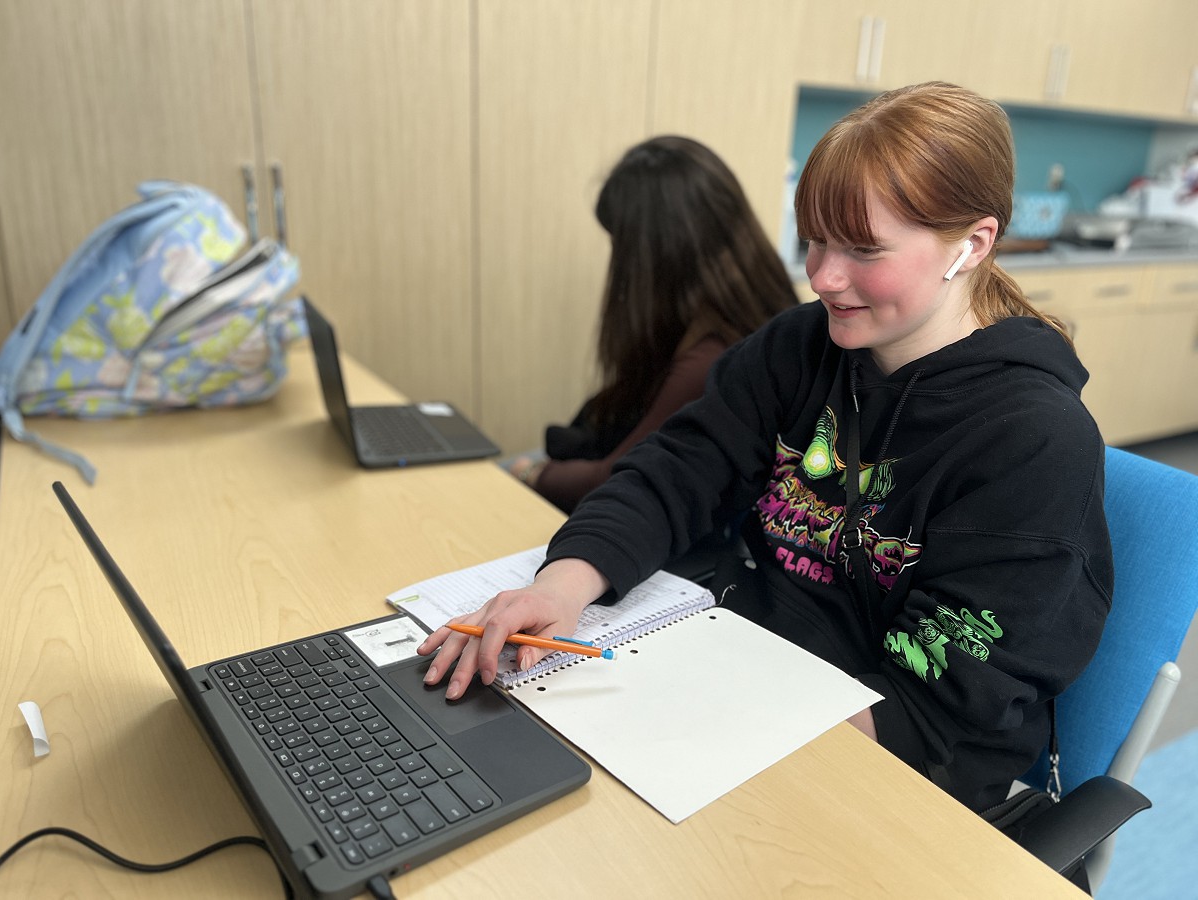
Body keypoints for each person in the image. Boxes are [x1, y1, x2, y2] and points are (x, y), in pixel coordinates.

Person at [420, 82, 1114, 815]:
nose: (822, 276)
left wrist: (717, 727)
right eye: (812, 239)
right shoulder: (800, 345)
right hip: (749, 678)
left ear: (972, 244)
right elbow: (678, 466)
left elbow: (942, 707)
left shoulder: (1035, 441)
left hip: (889, 769)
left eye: (862, 248)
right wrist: (560, 586)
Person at [507, 135, 798, 512]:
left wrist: (531, 474)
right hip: (640, 481)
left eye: (621, 247)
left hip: (642, 499)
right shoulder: (748, 309)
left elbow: (617, 478)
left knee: (504, 470)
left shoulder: (712, 355)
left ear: (654, 255)